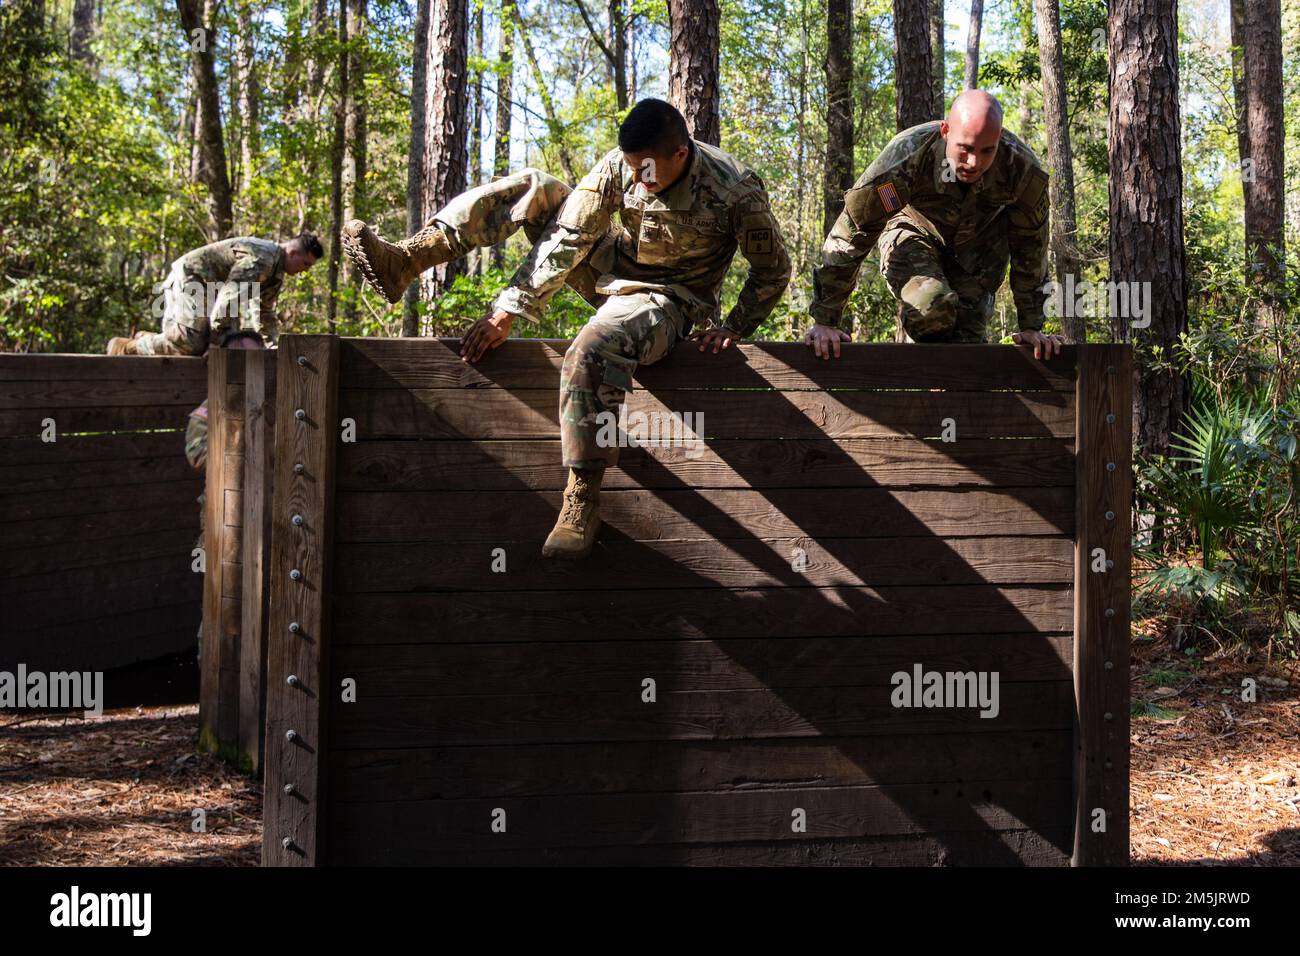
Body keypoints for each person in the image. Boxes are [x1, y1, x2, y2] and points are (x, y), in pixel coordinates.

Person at [340, 98, 792, 560]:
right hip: (611, 269)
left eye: (647, 170)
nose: (637, 178)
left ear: (680, 154)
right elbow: (571, 232)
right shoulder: (623, 165)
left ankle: (582, 498)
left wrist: (734, 327)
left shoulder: (735, 188)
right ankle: (407, 259)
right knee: (539, 188)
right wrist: (511, 307)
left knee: (590, 347)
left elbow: (773, 271)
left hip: (672, 300)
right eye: (632, 167)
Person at [805, 89, 1065, 361]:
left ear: (999, 139)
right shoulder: (908, 155)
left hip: (979, 248)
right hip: (913, 233)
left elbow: (1031, 249)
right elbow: (853, 231)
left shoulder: (1022, 170)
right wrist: (826, 319)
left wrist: (1031, 326)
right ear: (945, 131)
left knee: (968, 349)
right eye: (965, 149)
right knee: (932, 309)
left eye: (987, 150)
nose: (974, 162)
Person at [108, 233, 322, 356]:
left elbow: (264, 313)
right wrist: (215, 343)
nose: (306, 270)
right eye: (305, 264)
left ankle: (147, 338)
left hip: (211, 288)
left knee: (207, 344)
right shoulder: (263, 258)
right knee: (193, 343)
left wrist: (274, 348)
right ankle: (128, 348)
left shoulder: (276, 274)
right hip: (193, 276)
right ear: (292, 253)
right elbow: (231, 297)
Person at [185, 330, 265, 653]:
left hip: (269, 525)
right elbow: (198, 456)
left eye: (257, 357)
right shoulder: (209, 409)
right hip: (225, 526)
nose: (250, 365)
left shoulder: (277, 400)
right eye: (242, 357)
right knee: (221, 610)